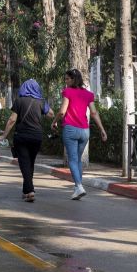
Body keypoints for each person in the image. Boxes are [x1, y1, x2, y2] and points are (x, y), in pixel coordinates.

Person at [51, 69, 107, 200]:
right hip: (84, 131)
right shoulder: (88, 94)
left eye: (67, 79)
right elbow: (94, 113)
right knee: (78, 159)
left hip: (70, 129)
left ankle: (79, 186)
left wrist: (54, 122)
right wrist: (102, 129)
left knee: (72, 160)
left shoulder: (68, 92)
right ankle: (77, 188)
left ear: (73, 79)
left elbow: (62, 111)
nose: (66, 81)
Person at [0, 79, 54, 202]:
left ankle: (30, 190)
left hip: (22, 137)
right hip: (36, 137)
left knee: (24, 163)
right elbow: (51, 114)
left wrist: (4, 135)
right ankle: (26, 190)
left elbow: (12, 120)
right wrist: (42, 111)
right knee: (30, 163)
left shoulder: (19, 101)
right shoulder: (41, 101)